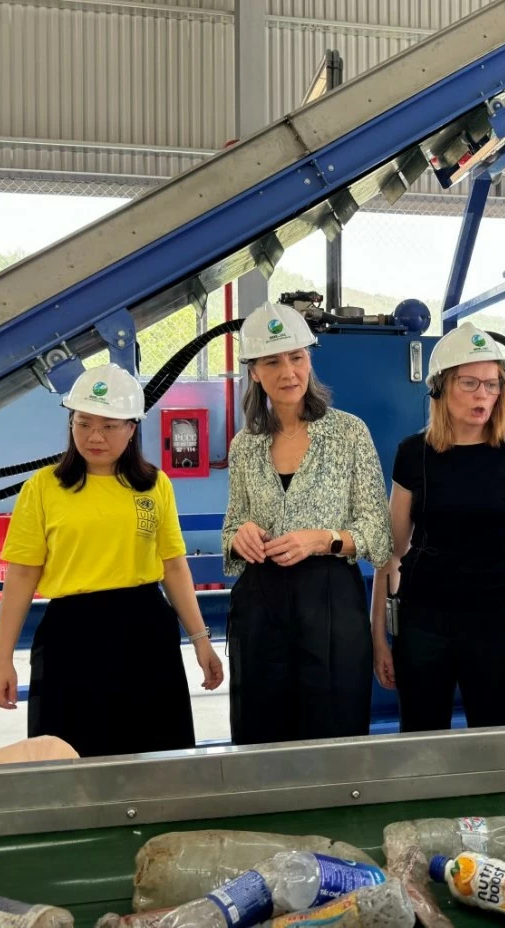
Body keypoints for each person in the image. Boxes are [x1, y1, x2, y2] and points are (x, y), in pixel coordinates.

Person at [0, 362, 223, 757]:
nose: (95, 436)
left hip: (145, 631)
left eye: (110, 425)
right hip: (70, 636)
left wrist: (201, 641)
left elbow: (173, 565)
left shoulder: (153, 484)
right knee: (69, 755)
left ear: (132, 428)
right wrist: (1, 659)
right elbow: (23, 574)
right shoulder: (43, 488)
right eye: (84, 423)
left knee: (155, 753)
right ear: (70, 424)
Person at [222, 300, 392, 745]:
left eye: (297, 358)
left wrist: (325, 540)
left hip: (330, 602)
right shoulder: (245, 446)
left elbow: (379, 530)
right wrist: (239, 536)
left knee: (333, 727)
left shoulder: (349, 433)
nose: (288, 372)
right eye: (272, 361)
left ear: (310, 360)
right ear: (254, 371)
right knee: (261, 730)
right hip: (260, 605)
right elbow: (232, 524)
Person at [372, 321, 505, 731]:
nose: (483, 396)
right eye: (470, 383)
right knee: (422, 747)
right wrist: (379, 638)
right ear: (438, 387)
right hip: (423, 623)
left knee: (497, 745)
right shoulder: (412, 453)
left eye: (492, 385)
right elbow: (391, 551)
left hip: (494, 621)